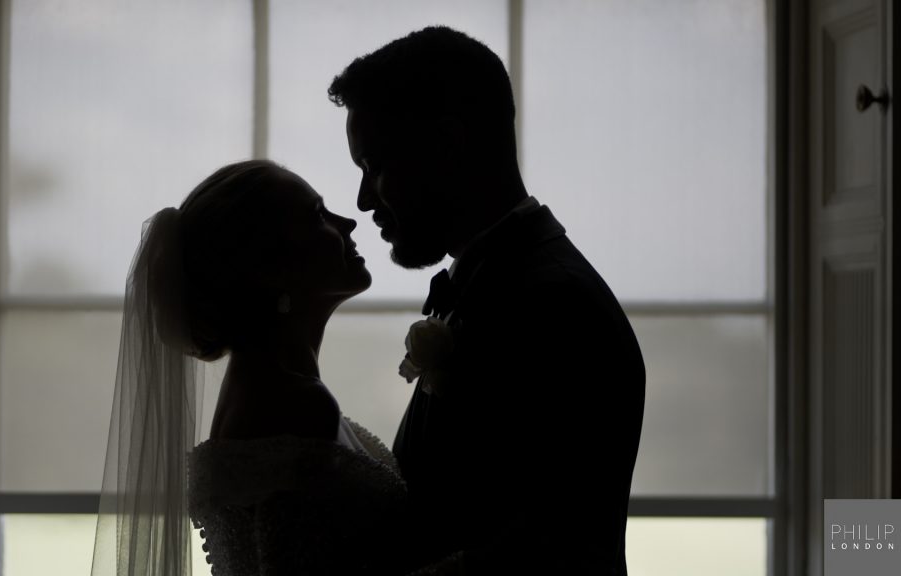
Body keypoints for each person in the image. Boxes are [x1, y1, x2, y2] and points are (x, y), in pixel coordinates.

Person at [329, 26, 646, 575]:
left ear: (451, 144)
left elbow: (549, 549)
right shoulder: (500, 282)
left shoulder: (554, 305)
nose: (362, 201)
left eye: (375, 166)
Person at [89, 160, 407, 576]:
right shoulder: (293, 404)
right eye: (317, 216)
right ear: (270, 268)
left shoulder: (267, 388)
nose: (347, 222)